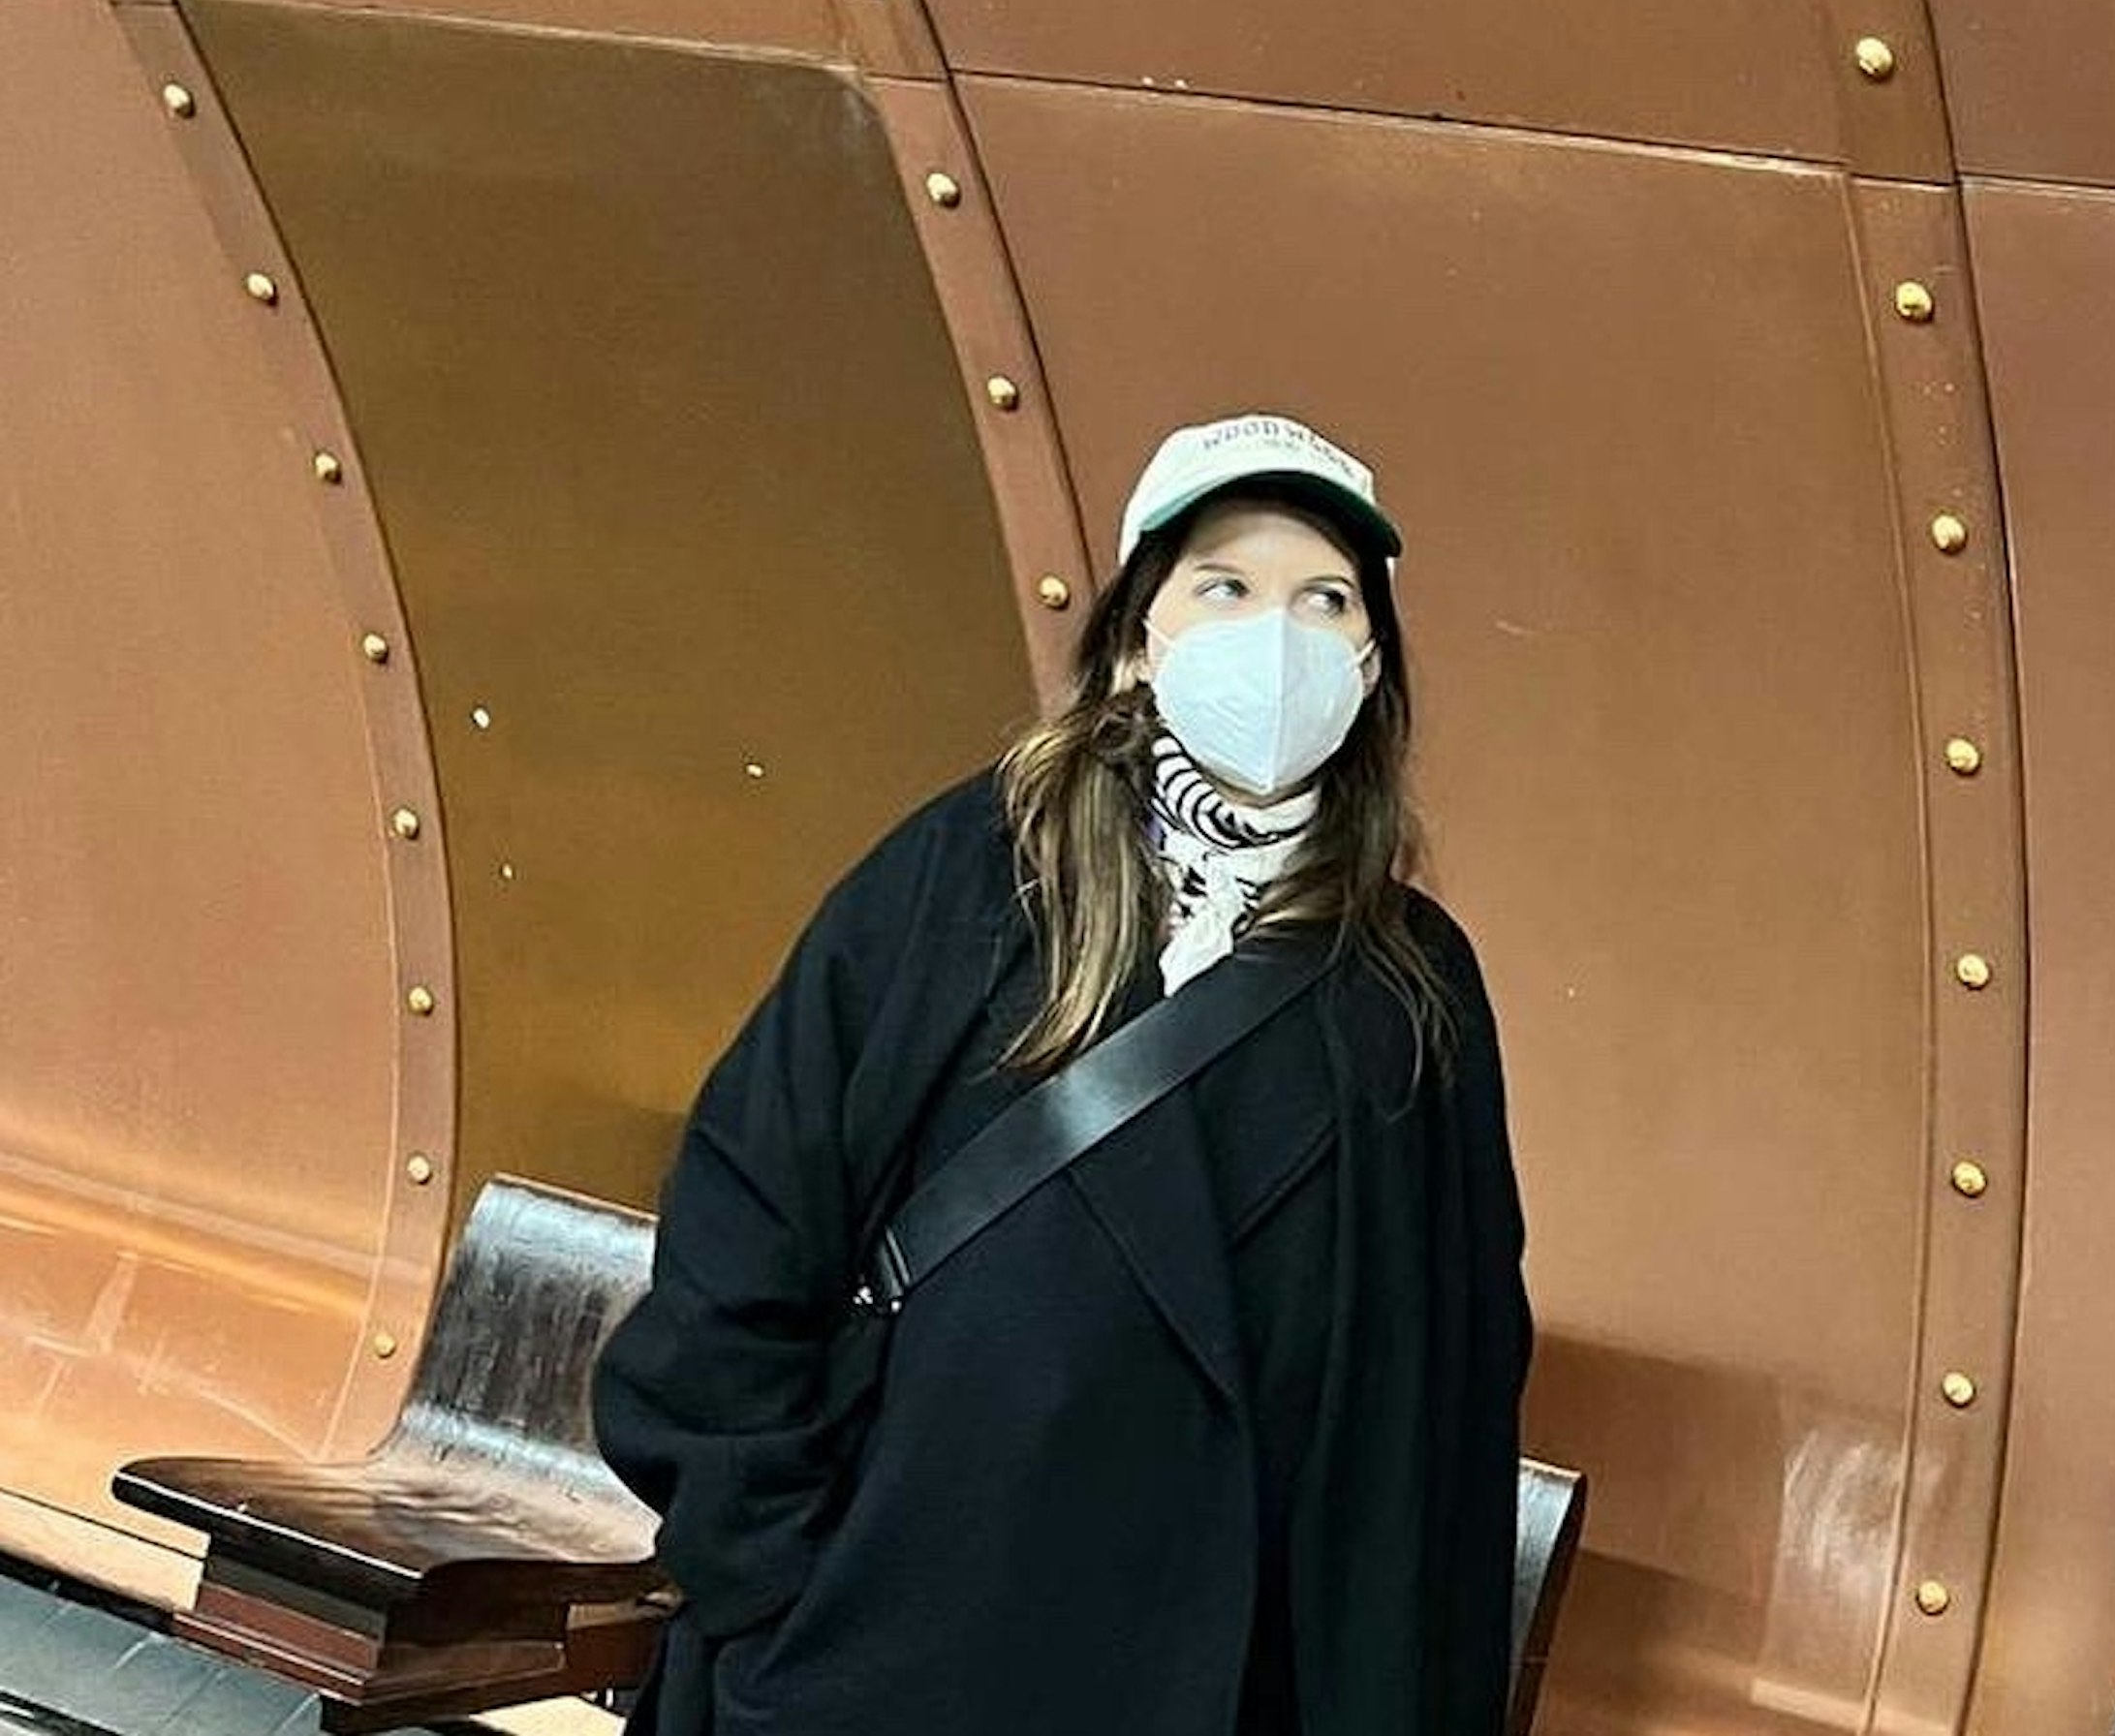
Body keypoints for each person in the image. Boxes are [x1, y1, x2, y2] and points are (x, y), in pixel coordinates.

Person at [592, 411, 1531, 1736]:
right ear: (1143, 637)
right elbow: (749, 1211)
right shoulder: (971, 871)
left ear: (1372, 664)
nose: (1280, 635)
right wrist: (778, 1581)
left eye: (1326, 600)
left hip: (1215, 1685)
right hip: (886, 1651)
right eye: (1227, 586)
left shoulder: (1410, 987)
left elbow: (1447, 1392)